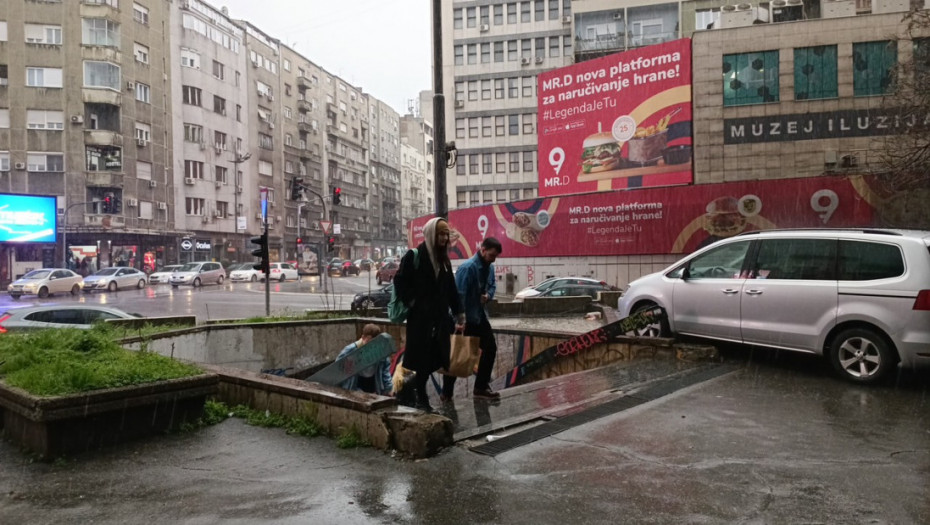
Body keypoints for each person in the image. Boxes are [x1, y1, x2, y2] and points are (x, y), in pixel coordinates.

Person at [392, 217, 465, 412]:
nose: (444, 238)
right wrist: (413, 301)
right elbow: (399, 282)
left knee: (439, 357)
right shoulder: (414, 256)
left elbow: (451, 288)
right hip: (421, 320)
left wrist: (459, 313)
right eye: (440, 234)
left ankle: (413, 387)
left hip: (440, 319)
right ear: (431, 234)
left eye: (446, 234)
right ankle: (421, 397)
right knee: (423, 358)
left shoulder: (444, 260)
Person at [442, 237, 502, 401]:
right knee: (456, 354)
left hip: (479, 316)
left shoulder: (489, 267)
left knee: (490, 349)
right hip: (465, 318)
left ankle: (481, 387)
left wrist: (488, 295)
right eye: (491, 255)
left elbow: (492, 286)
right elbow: (458, 296)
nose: (493, 259)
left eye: (495, 257)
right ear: (482, 250)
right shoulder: (467, 268)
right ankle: (446, 394)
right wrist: (459, 321)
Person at [337, 324, 393, 396]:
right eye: (368, 342)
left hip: (373, 383)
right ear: (363, 337)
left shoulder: (381, 352)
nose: (371, 346)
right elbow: (338, 368)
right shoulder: (350, 350)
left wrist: (389, 388)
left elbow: (385, 372)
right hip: (356, 383)